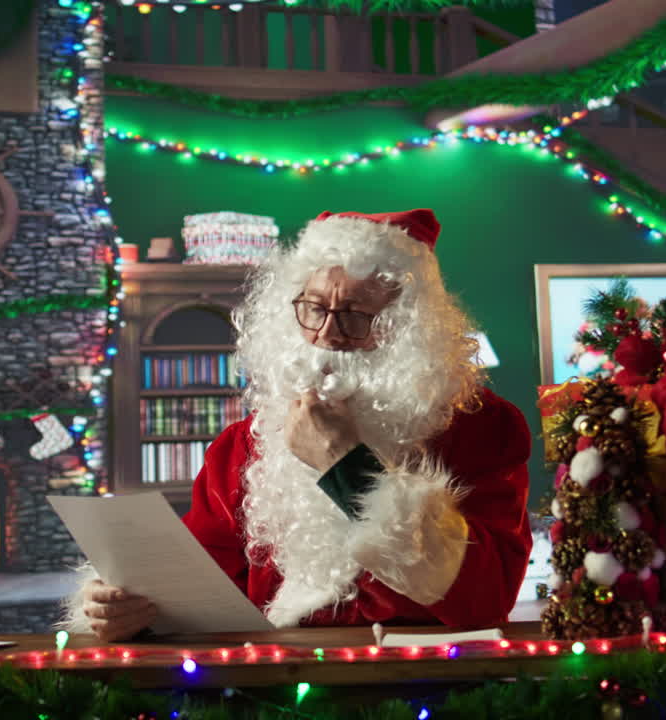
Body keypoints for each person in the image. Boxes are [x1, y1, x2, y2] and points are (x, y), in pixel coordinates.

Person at [62, 209, 533, 641]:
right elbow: (201, 591)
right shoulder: (243, 444)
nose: (327, 333)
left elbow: (487, 597)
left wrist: (345, 466)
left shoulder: (482, 428)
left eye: (354, 315)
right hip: (272, 686)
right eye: (313, 307)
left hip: (427, 685)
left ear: (405, 329)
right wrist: (130, 606)